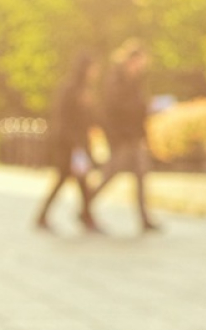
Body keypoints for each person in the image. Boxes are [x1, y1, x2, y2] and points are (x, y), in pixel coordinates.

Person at [92, 41, 160, 233]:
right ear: (130, 60)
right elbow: (113, 111)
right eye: (139, 62)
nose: (141, 66)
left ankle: (144, 219)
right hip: (121, 138)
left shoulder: (137, 81)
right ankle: (86, 206)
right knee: (110, 174)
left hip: (134, 138)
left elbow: (139, 112)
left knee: (140, 175)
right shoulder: (115, 80)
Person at [34, 53, 102, 233]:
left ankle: (84, 216)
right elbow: (65, 120)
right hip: (69, 144)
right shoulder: (71, 89)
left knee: (78, 180)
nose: (96, 72)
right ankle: (85, 217)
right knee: (69, 179)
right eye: (94, 68)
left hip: (77, 143)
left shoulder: (84, 89)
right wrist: (76, 145)